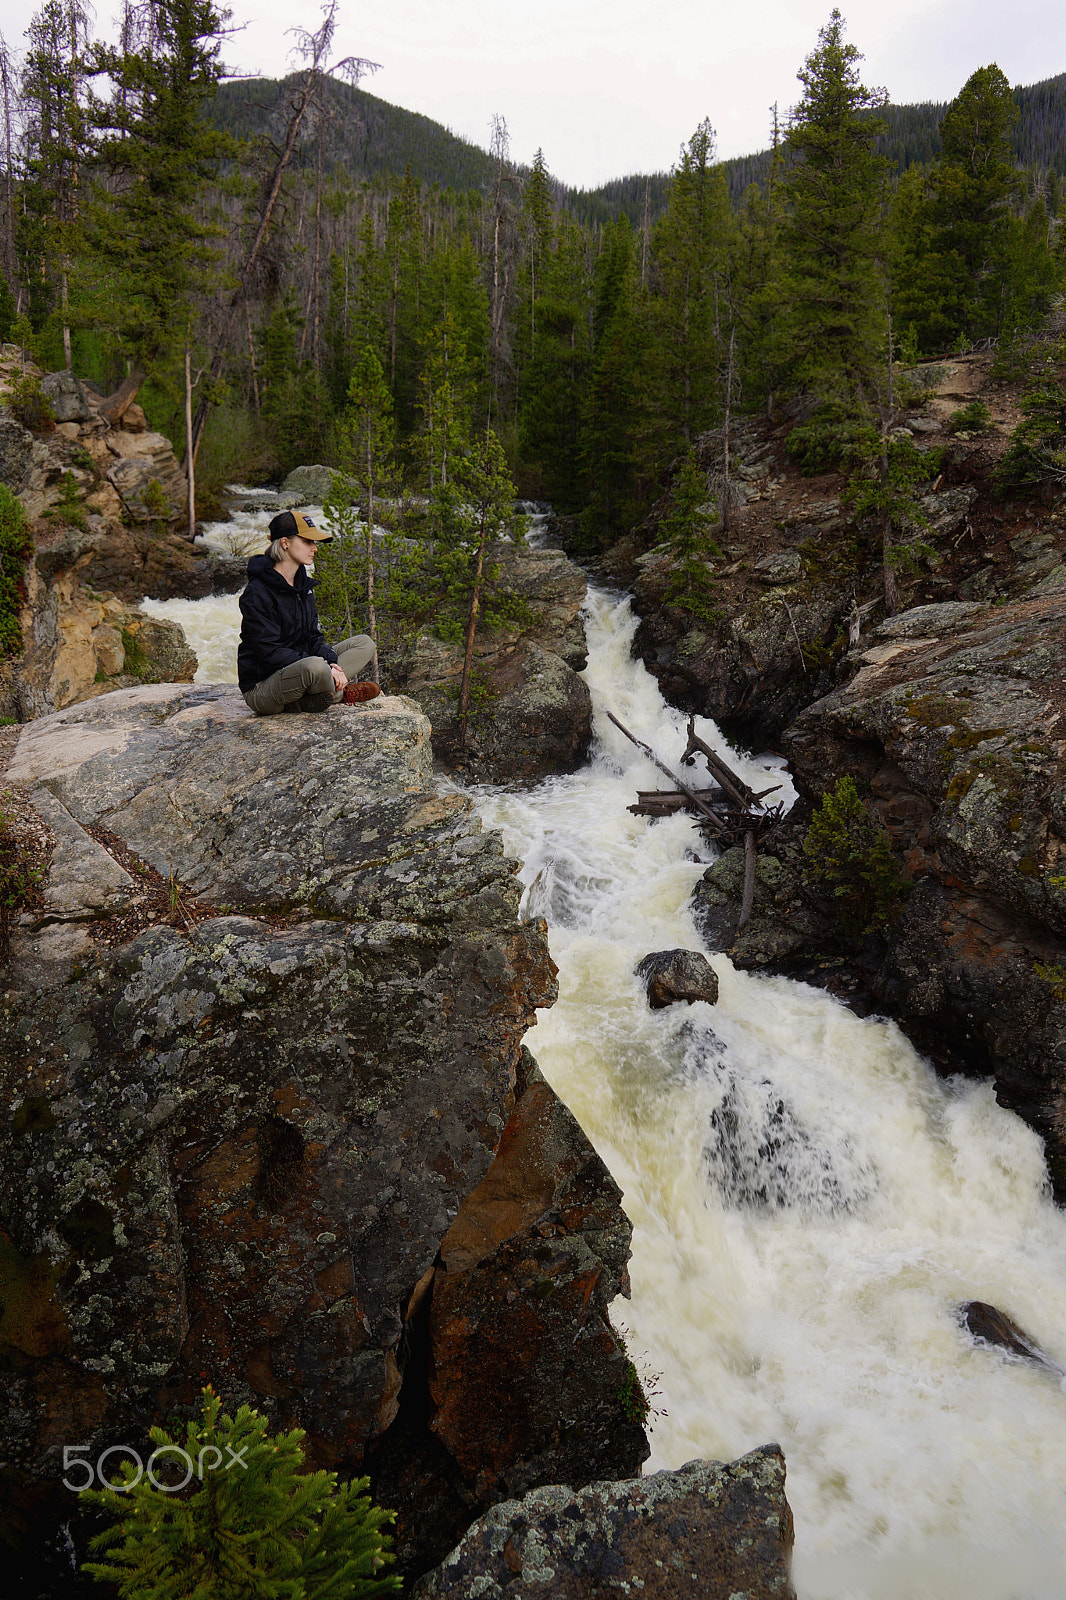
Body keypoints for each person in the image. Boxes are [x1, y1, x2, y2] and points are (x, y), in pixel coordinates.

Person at [237, 509, 379, 714]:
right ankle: (340, 694)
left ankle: (315, 697)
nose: (315, 548)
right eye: (307, 542)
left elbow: (313, 637)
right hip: (263, 687)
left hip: (303, 669)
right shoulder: (257, 592)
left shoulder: (302, 586)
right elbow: (269, 652)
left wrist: (331, 660)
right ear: (285, 543)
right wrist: (324, 665)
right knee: (315, 666)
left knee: (364, 643)